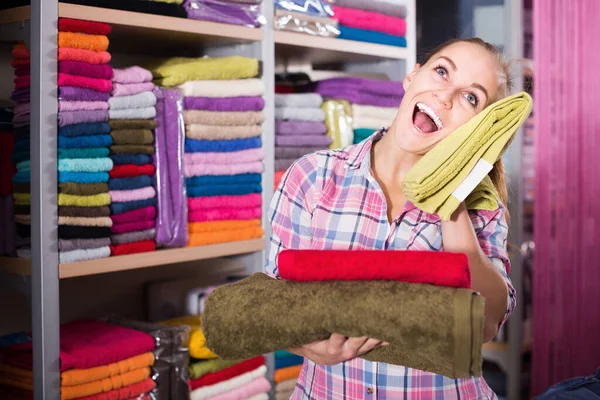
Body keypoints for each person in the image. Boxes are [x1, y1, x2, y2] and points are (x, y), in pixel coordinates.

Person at [265, 37, 517, 399]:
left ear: (479, 128)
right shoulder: (312, 177)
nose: (445, 96)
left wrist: (452, 202)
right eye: (442, 71)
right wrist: (304, 344)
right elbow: (275, 305)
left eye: (470, 97)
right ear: (413, 75)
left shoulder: (479, 205)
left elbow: (486, 322)